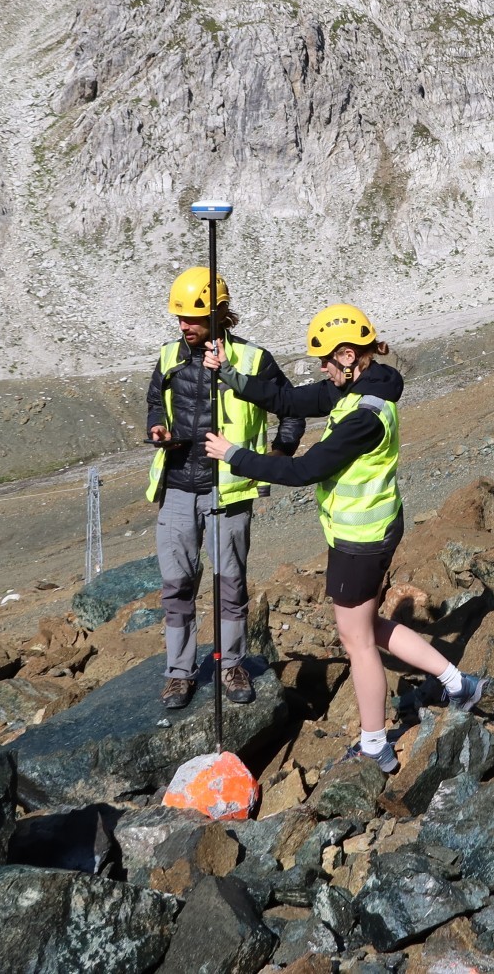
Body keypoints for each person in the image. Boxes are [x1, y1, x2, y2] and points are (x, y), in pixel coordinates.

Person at [204, 302, 483, 772]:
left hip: (360, 541)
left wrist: (233, 454)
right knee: (367, 627)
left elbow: (305, 469)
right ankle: (458, 683)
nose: (321, 368)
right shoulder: (357, 390)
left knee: (357, 642)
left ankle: (375, 744)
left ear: (349, 356)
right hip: (371, 531)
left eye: (325, 359)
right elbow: (289, 401)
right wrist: (231, 375)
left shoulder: (364, 415)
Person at [146, 268, 305, 711]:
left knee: (230, 584)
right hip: (178, 486)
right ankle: (179, 674)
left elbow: (290, 411)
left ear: (218, 315)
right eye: (178, 317)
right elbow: (154, 401)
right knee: (177, 585)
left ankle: (232, 663)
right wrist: (157, 426)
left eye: (192, 318)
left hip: (229, 491)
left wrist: (280, 453)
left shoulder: (253, 361)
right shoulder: (167, 357)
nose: (183, 325)